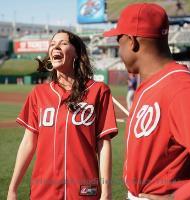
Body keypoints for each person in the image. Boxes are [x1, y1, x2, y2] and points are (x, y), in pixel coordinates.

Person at [103, 3, 190, 200]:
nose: (118, 49)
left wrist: (177, 199)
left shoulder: (181, 89)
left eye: (119, 41)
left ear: (132, 41)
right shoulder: (154, 83)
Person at [7, 29, 118, 200]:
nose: (55, 47)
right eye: (52, 44)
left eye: (63, 43)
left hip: (85, 191)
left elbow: (103, 144)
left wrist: (106, 191)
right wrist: (13, 189)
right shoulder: (39, 93)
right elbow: (28, 142)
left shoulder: (98, 91)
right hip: (44, 192)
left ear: (77, 53)